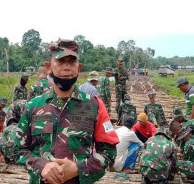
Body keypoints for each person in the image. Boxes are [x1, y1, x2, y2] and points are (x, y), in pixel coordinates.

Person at [13, 39, 119, 184]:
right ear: (49, 67)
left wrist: (78, 169)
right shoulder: (33, 106)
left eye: (71, 62)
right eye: (61, 61)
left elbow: (109, 153)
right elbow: (19, 150)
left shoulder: (95, 105)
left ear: (79, 67)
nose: (67, 67)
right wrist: (41, 166)